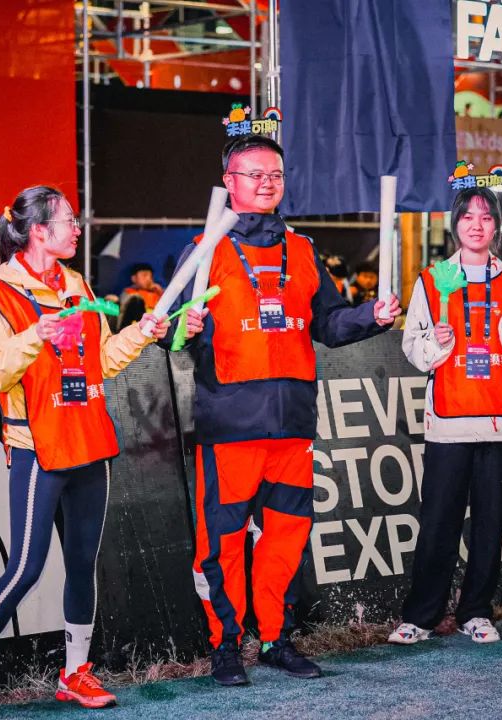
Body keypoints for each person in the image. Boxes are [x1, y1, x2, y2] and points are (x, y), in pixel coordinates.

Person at [0, 185, 186, 716]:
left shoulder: (77, 285)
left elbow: (103, 360)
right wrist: (36, 335)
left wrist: (142, 333)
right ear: (37, 232)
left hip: (88, 441)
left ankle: (75, 673)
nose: (77, 228)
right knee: (25, 569)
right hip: (37, 448)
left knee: (81, 564)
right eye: (68, 220)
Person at [167, 135, 401, 686]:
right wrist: (183, 326)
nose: (267, 183)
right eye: (254, 174)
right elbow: (168, 329)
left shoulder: (301, 249)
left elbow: (329, 323)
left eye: (274, 174)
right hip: (231, 423)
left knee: (286, 540)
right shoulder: (205, 248)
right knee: (221, 546)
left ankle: (276, 639)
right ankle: (226, 646)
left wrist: (371, 315)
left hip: (293, 424)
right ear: (229, 182)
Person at [388, 186, 502, 647]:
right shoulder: (432, 279)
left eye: (486, 217)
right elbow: (414, 348)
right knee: (439, 520)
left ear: (497, 225)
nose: (476, 225)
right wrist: (437, 342)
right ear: (454, 223)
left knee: (490, 523)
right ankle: (420, 616)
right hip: (451, 418)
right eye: (467, 217)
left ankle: (476, 611)